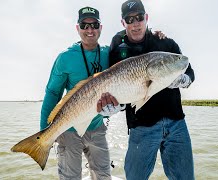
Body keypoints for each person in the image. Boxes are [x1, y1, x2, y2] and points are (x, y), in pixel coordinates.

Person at [97, 0, 195, 179]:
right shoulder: (118, 46)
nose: (135, 24)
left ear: (146, 18)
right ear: (123, 22)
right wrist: (115, 106)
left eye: (139, 18)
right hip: (141, 127)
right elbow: (112, 83)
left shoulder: (165, 43)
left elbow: (189, 70)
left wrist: (184, 79)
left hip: (176, 123)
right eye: (129, 19)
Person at [40, 7, 114, 179]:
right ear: (77, 28)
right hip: (69, 130)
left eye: (94, 25)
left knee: (103, 175)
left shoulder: (108, 53)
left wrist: (155, 37)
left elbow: (133, 52)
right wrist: (45, 134)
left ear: (101, 28)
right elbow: (52, 93)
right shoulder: (65, 58)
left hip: (97, 127)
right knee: (70, 177)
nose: (90, 30)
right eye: (84, 25)